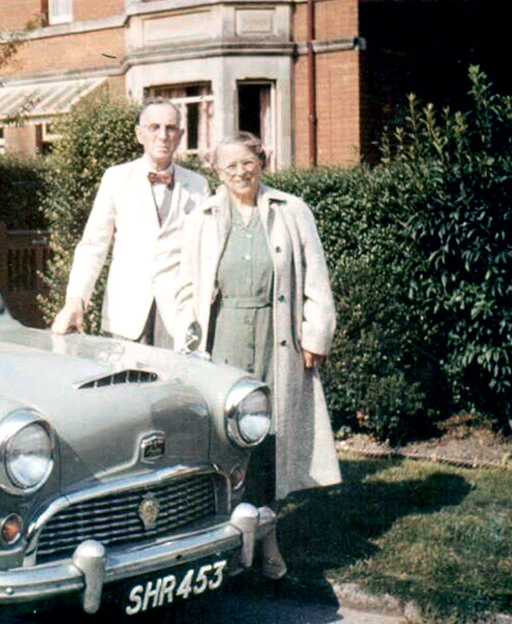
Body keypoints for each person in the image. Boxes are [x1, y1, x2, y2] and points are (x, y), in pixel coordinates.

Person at [175, 132, 342, 578]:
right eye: (229, 167)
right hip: (224, 337)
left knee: (266, 441)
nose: (240, 173)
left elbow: (316, 282)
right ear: (217, 172)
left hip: (276, 337)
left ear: (262, 162)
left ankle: (267, 540)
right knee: (225, 441)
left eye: (247, 163)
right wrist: (187, 339)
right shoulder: (203, 217)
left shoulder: (291, 211)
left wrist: (315, 337)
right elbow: (186, 287)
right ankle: (225, 540)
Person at [51, 98, 209, 346]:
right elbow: (93, 244)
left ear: (180, 135)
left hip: (177, 316)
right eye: (154, 127)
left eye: (170, 128)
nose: (163, 135)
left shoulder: (199, 186)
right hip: (125, 314)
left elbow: (205, 252)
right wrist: (76, 300)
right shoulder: (116, 178)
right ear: (139, 134)